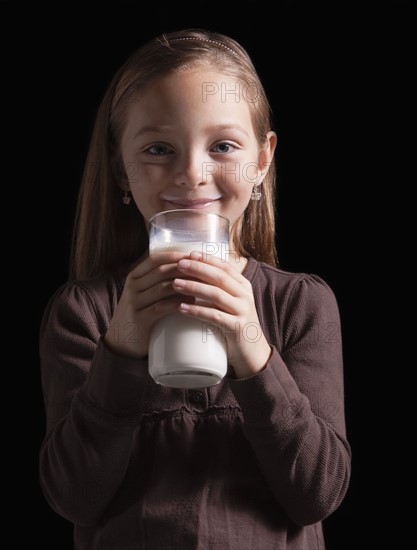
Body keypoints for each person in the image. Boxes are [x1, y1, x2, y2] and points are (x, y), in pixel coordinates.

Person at [39, 28, 351, 550]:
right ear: (121, 167)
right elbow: (74, 496)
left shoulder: (300, 304)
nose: (191, 174)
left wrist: (253, 350)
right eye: (159, 148)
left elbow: (317, 494)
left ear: (262, 160)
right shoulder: (85, 313)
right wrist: (121, 349)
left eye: (223, 146)